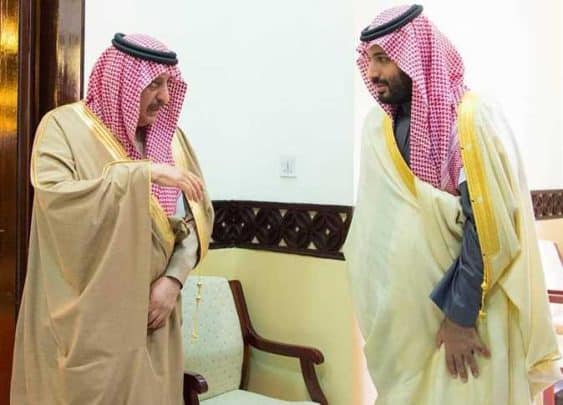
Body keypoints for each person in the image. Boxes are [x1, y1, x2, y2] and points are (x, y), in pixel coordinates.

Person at [344, 5, 561, 404]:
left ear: (417, 55)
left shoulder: (469, 119)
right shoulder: (378, 128)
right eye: (369, 60)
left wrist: (460, 317)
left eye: (383, 58)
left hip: (470, 316)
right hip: (408, 325)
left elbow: (487, 227)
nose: (372, 73)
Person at [10, 33, 214, 404]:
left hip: (154, 318)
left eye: (169, 84)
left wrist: (173, 280)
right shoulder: (62, 129)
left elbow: (195, 218)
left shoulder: (172, 140)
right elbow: (57, 200)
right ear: (121, 81)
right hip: (89, 324)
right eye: (153, 84)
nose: (165, 97)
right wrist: (142, 174)